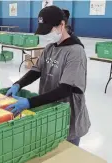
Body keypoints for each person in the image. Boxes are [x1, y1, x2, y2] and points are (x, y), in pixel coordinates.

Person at [6, 6, 90, 146]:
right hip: (49, 107)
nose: (46, 36)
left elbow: (65, 89)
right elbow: (36, 71)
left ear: (61, 25)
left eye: (48, 30)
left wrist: (29, 103)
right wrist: (18, 84)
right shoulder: (50, 47)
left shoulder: (75, 52)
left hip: (68, 112)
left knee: (66, 151)